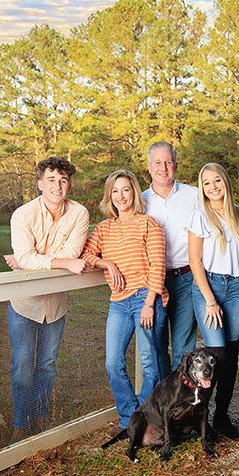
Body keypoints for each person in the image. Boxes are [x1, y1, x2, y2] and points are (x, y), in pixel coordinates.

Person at [4, 156, 89, 440]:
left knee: (48, 363)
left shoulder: (79, 214)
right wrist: (61, 262)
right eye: (51, 179)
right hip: (24, 303)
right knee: (23, 365)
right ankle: (20, 423)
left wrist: (31, 260)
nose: (58, 185)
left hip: (56, 303)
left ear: (70, 185)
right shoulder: (23, 214)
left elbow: (73, 252)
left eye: (63, 180)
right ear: (40, 183)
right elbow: (33, 258)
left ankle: (41, 418)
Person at [81, 169, 167, 440]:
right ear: (110, 196)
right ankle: (130, 416)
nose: (121, 196)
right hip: (119, 302)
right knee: (112, 362)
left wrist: (150, 303)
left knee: (148, 361)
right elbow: (86, 254)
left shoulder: (149, 224)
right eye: (115, 191)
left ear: (134, 193)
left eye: (126, 190)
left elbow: (158, 267)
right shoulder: (105, 228)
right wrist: (106, 263)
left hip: (146, 298)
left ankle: (147, 419)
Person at [188, 162, 239, 439]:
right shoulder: (200, 215)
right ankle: (203, 418)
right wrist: (210, 300)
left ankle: (223, 416)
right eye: (206, 183)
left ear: (226, 182)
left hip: (236, 288)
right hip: (207, 287)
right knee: (217, 354)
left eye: (217, 181)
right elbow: (194, 262)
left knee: (231, 355)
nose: (213, 188)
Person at [142, 141, 198, 378]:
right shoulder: (140, 201)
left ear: (175, 164)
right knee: (156, 347)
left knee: (184, 349)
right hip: (154, 282)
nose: (163, 167)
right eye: (157, 162)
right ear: (149, 166)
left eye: (168, 162)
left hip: (187, 278)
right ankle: (163, 403)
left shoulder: (194, 195)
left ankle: (182, 407)